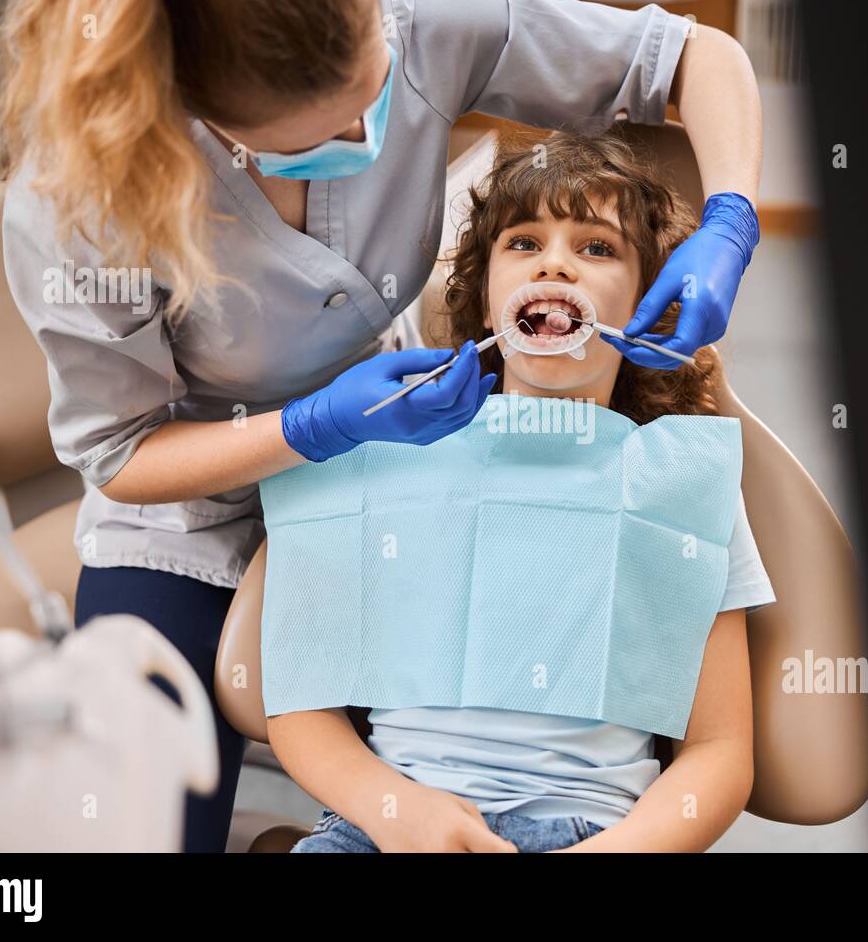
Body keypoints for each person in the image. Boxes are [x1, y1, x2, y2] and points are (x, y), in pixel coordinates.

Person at [0, 0, 762, 851]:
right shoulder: (75, 205)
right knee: (134, 826)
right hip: (189, 504)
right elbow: (120, 451)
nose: (370, 139)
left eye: (379, 93)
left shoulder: (422, 16)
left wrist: (730, 216)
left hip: (397, 439)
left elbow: (698, 57)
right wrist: (314, 431)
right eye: (324, 137)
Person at [274, 128, 775, 853]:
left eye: (597, 248)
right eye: (524, 243)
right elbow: (300, 709)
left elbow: (720, 752)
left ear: (648, 305)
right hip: (384, 825)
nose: (557, 264)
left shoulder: (681, 487)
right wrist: (396, 812)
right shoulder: (383, 456)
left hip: (593, 832)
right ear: (483, 302)